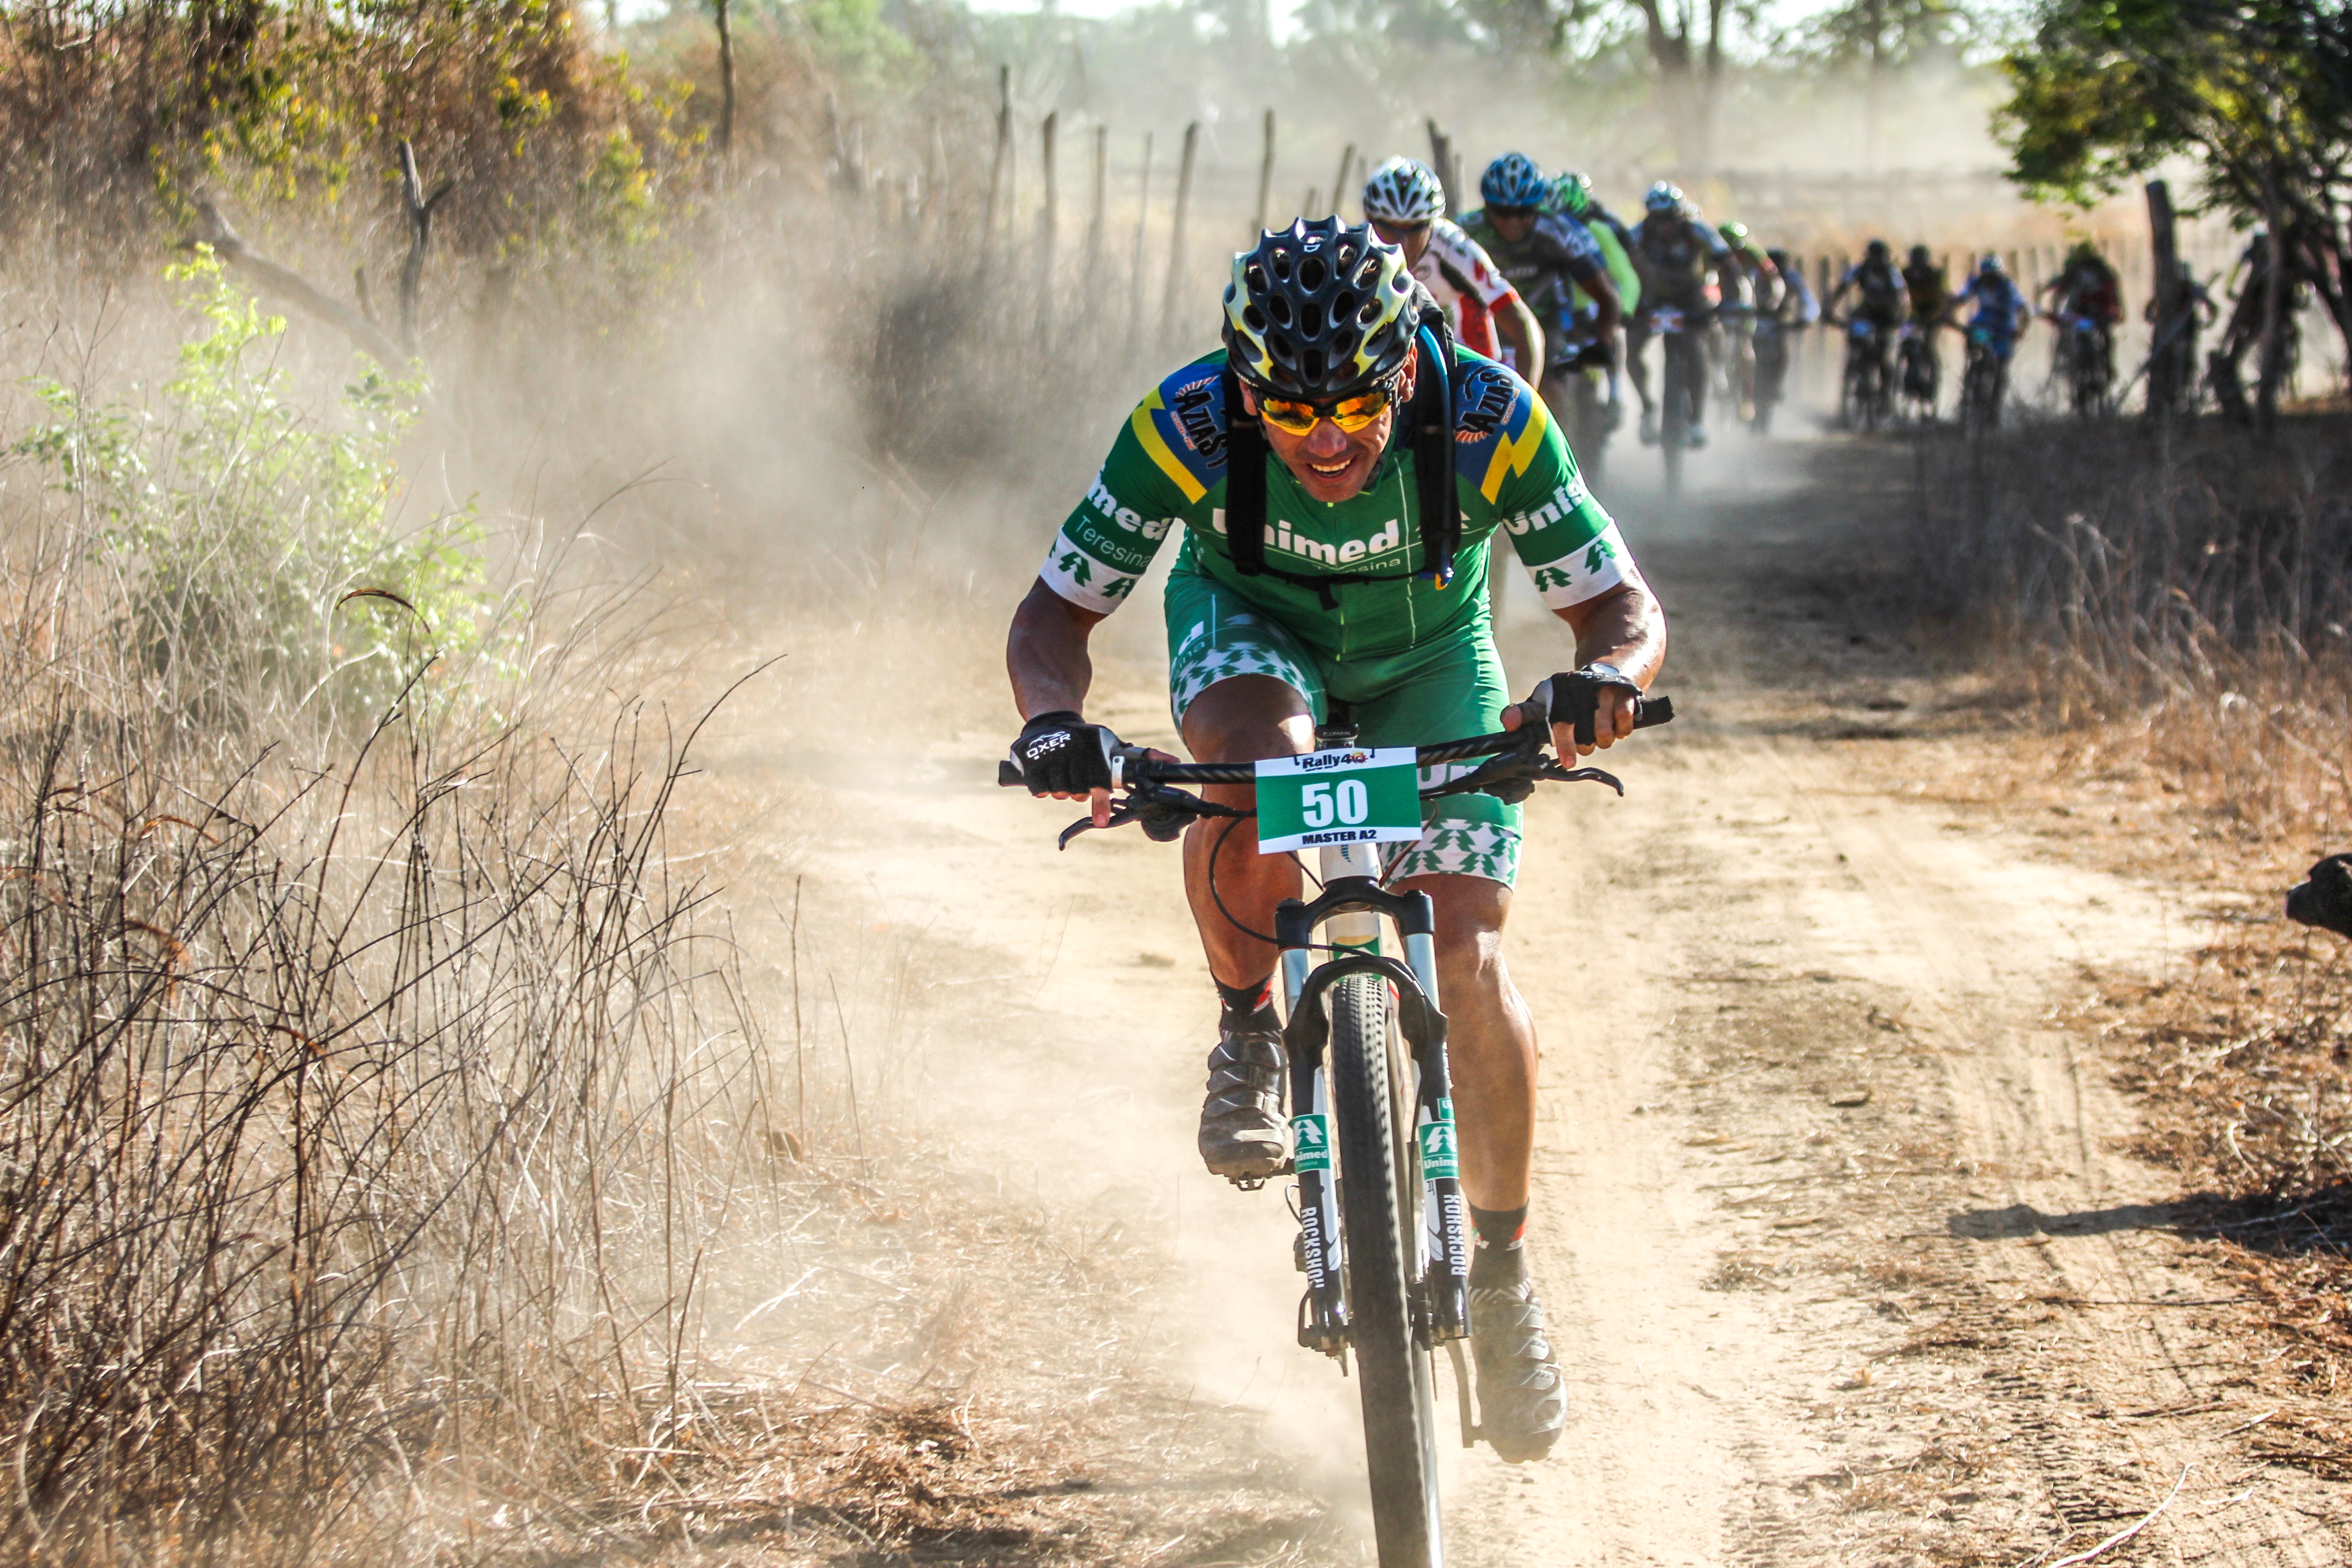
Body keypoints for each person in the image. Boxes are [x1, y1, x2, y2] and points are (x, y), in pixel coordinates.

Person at [1003, 216, 1668, 1464]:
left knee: (1465, 956)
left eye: (1356, 406)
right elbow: (1054, 616)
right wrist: (1054, 726)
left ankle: (1509, 1277)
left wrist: (1607, 679)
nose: (1323, 439)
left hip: (1434, 661)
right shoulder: (1187, 424)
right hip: (1255, 632)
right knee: (1257, 780)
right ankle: (1247, 1031)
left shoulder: (1490, 415)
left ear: (1408, 367)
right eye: (1289, 412)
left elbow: (1618, 606)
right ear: (1242, 386)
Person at [1458, 153, 1624, 445]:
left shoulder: (1561, 232)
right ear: (1487, 207)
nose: (1513, 222)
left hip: (1545, 324)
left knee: (1552, 393)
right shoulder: (1465, 233)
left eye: (1524, 213)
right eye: (1502, 212)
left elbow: (1607, 296)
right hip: (1486, 324)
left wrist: (1604, 342)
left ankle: (1556, 464)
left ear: (1538, 207)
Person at [1360, 155, 1543, 380]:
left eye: (1414, 229)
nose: (1402, 242)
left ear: (1432, 224)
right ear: (1369, 220)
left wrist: (1527, 400)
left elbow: (1523, 324)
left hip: (1465, 361)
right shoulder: (1355, 250)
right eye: (1389, 228)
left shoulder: (1455, 250)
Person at [1626, 182, 1746, 447]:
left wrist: (1731, 301)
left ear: (1681, 215)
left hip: (1691, 298)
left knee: (1695, 350)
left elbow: (1729, 265)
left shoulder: (1698, 231)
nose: (1664, 227)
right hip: (1652, 298)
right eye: (1657, 220)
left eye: (1670, 219)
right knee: (1632, 348)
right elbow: (1616, 267)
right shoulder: (1637, 234)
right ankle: (1647, 407)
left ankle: (1697, 421)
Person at [1825, 239, 1907, 424]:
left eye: (1880, 258)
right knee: (1855, 344)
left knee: (1885, 357)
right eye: (1873, 257)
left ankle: (1886, 395)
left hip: (1887, 316)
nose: (1876, 261)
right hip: (1865, 314)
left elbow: (1902, 297)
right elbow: (1842, 287)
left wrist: (1900, 317)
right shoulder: (1860, 270)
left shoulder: (1892, 272)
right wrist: (1829, 309)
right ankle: (1851, 382)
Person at [1943, 252, 2031, 419]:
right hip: (1982, 324)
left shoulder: (2007, 287)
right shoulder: (1976, 284)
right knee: (1974, 350)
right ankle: (1969, 389)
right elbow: (1960, 299)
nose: (1989, 281)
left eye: (1993, 278)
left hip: (2003, 327)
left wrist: (2020, 330)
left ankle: (1995, 406)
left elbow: (2023, 308)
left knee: (2001, 366)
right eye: (1986, 277)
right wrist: (1950, 316)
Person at [2040, 241, 2122, 385]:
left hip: (2100, 311)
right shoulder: (2073, 272)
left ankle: (2109, 366)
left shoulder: (2104, 272)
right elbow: (2059, 290)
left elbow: (2115, 295)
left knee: (2107, 338)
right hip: (2078, 311)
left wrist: (2116, 312)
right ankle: (2064, 363)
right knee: (2067, 334)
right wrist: (2051, 310)